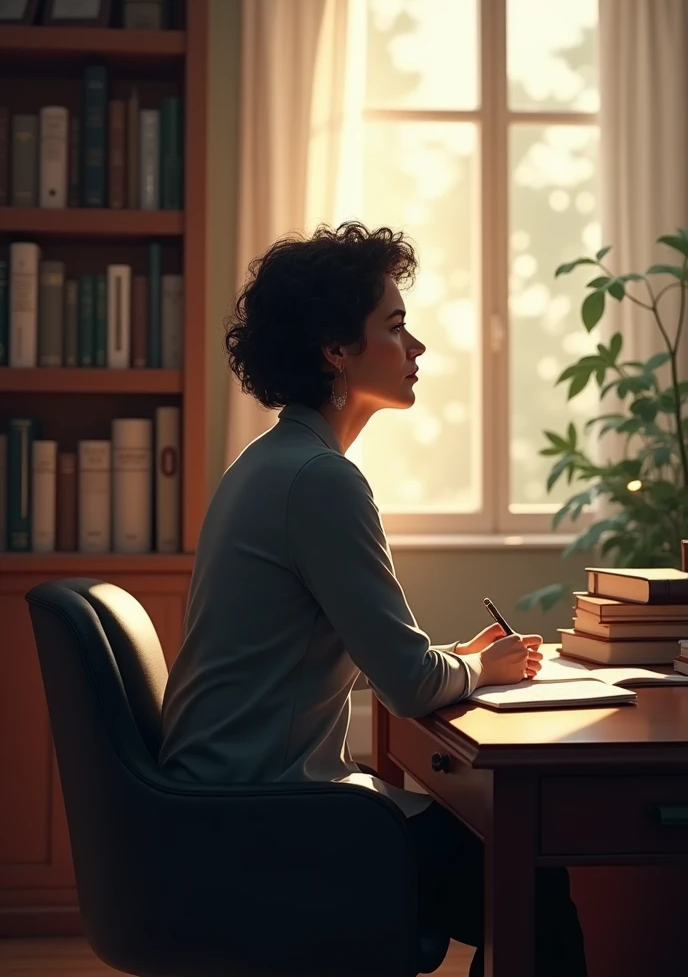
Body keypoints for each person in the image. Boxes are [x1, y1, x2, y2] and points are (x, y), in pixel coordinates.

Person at [158, 221, 587, 975]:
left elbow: (342, 654)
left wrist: (462, 658)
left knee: (501, 851)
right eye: (394, 327)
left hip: (222, 803)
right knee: (529, 872)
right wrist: (482, 670)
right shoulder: (319, 480)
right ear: (335, 351)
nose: (416, 348)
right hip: (266, 821)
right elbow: (410, 683)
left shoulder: (273, 462)